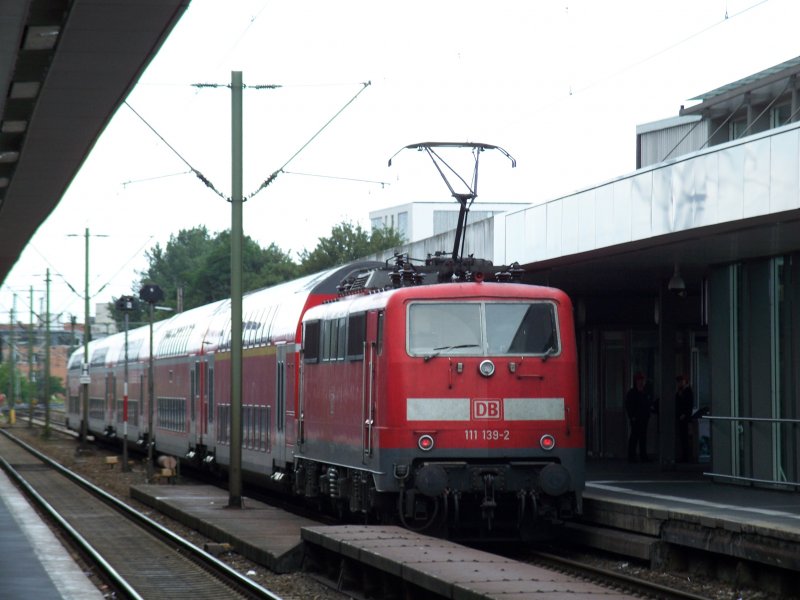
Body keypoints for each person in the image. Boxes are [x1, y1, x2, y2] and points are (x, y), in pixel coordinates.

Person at [625, 371, 652, 462]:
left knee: (643, 437)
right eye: (639, 380)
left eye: (642, 380)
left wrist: (648, 414)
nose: (641, 382)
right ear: (635, 381)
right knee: (634, 436)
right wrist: (632, 416)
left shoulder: (645, 393)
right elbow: (629, 405)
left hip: (644, 418)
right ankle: (631, 456)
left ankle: (643, 456)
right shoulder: (632, 393)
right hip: (636, 419)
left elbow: (648, 404)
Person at [675, 374, 695, 462]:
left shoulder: (688, 391)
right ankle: (684, 455)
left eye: (681, 381)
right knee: (683, 437)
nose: (679, 383)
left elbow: (688, 405)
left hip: (685, 418)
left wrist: (685, 414)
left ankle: (686, 456)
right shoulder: (680, 392)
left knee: (685, 437)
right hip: (681, 417)